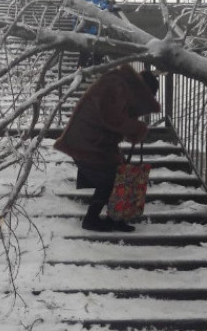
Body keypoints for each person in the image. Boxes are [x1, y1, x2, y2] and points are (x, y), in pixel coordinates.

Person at [54, 65, 162, 232]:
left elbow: (116, 119)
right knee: (109, 177)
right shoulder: (116, 84)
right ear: (142, 90)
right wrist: (135, 128)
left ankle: (116, 218)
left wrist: (131, 130)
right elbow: (111, 117)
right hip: (85, 141)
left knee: (120, 173)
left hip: (95, 142)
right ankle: (91, 220)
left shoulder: (122, 87)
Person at [76, 0, 122, 69]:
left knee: (100, 51)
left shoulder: (101, 0)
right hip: (86, 29)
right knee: (85, 52)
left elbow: (103, 9)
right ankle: (81, 71)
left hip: (97, 30)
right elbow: (91, 9)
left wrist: (111, 7)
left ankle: (90, 68)